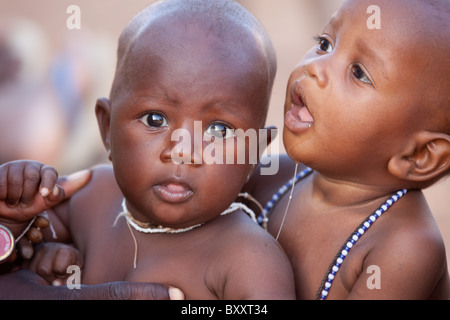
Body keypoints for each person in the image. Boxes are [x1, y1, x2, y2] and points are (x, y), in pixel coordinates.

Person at [0, 0, 295, 300]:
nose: (183, 151)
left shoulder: (247, 259)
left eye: (218, 130)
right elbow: (21, 248)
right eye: (156, 119)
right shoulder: (92, 197)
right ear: (107, 128)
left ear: (253, 153)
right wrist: (15, 223)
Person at [244, 0, 450, 299]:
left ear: (419, 156)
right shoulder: (271, 178)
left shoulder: (405, 247)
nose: (314, 68)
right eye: (325, 43)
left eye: (358, 72)